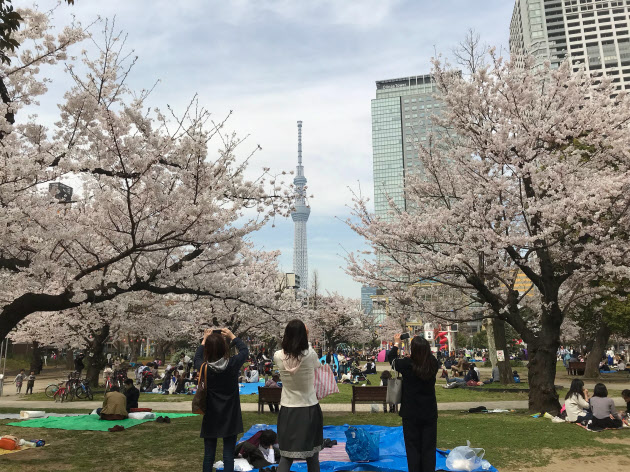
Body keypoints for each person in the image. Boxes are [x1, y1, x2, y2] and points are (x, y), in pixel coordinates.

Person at [193, 328, 249, 472]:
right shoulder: (233, 363)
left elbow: (197, 357)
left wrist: (205, 339)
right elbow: (244, 350)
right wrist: (232, 336)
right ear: (224, 347)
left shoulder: (204, 367)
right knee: (228, 455)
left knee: (208, 456)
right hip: (230, 414)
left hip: (211, 414)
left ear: (208, 350)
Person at [274, 319, 323, 472]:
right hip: (309, 408)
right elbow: (317, 364)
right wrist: (306, 338)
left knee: (286, 456)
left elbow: (291, 353)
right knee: (312, 456)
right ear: (304, 336)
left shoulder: (277, 356)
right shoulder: (310, 355)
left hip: (288, 409)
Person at [388, 334, 439, 472]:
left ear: (413, 351)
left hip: (410, 412)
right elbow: (428, 359)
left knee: (412, 448)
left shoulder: (406, 365)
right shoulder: (433, 364)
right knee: (429, 448)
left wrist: (396, 344)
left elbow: (391, 359)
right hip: (429, 412)